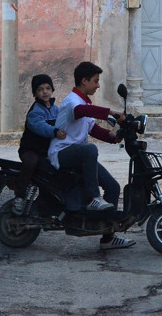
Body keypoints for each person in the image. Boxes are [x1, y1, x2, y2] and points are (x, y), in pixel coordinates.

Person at [48, 61, 136, 250]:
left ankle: (108, 237)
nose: (97, 85)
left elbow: (92, 129)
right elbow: (81, 112)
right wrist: (111, 112)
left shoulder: (85, 103)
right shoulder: (72, 101)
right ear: (84, 81)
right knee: (90, 150)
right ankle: (95, 198)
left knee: (112, 187)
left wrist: (113, 137)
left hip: (78, 156)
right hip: (62, 153)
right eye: (95, 81)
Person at [13, 74, 67, 216]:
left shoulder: (56, 109)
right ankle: (19, 195)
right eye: (40, 89)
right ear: (35, 93)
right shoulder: (35, 111)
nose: (45, 92)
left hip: (47, 150)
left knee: (52, 172)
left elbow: (64, 122)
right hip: (31, 149)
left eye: (48, 88)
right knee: (31, 163)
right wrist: (55, 131)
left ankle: (47, 204)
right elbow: (41, 127)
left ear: (52, 90)